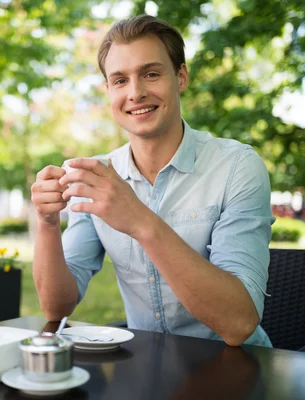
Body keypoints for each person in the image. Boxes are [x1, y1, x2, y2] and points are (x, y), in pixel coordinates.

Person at [31, 15, 274, 347]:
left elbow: (239, 323)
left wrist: (140, 221)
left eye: (151, 74)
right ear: (108, 91)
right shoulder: (98, 178)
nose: (136, 92)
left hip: (238, 369)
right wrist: (46, 223)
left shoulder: (237, 167)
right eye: (120, 80)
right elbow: (56, 308)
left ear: (181, 77)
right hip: (148, 370)